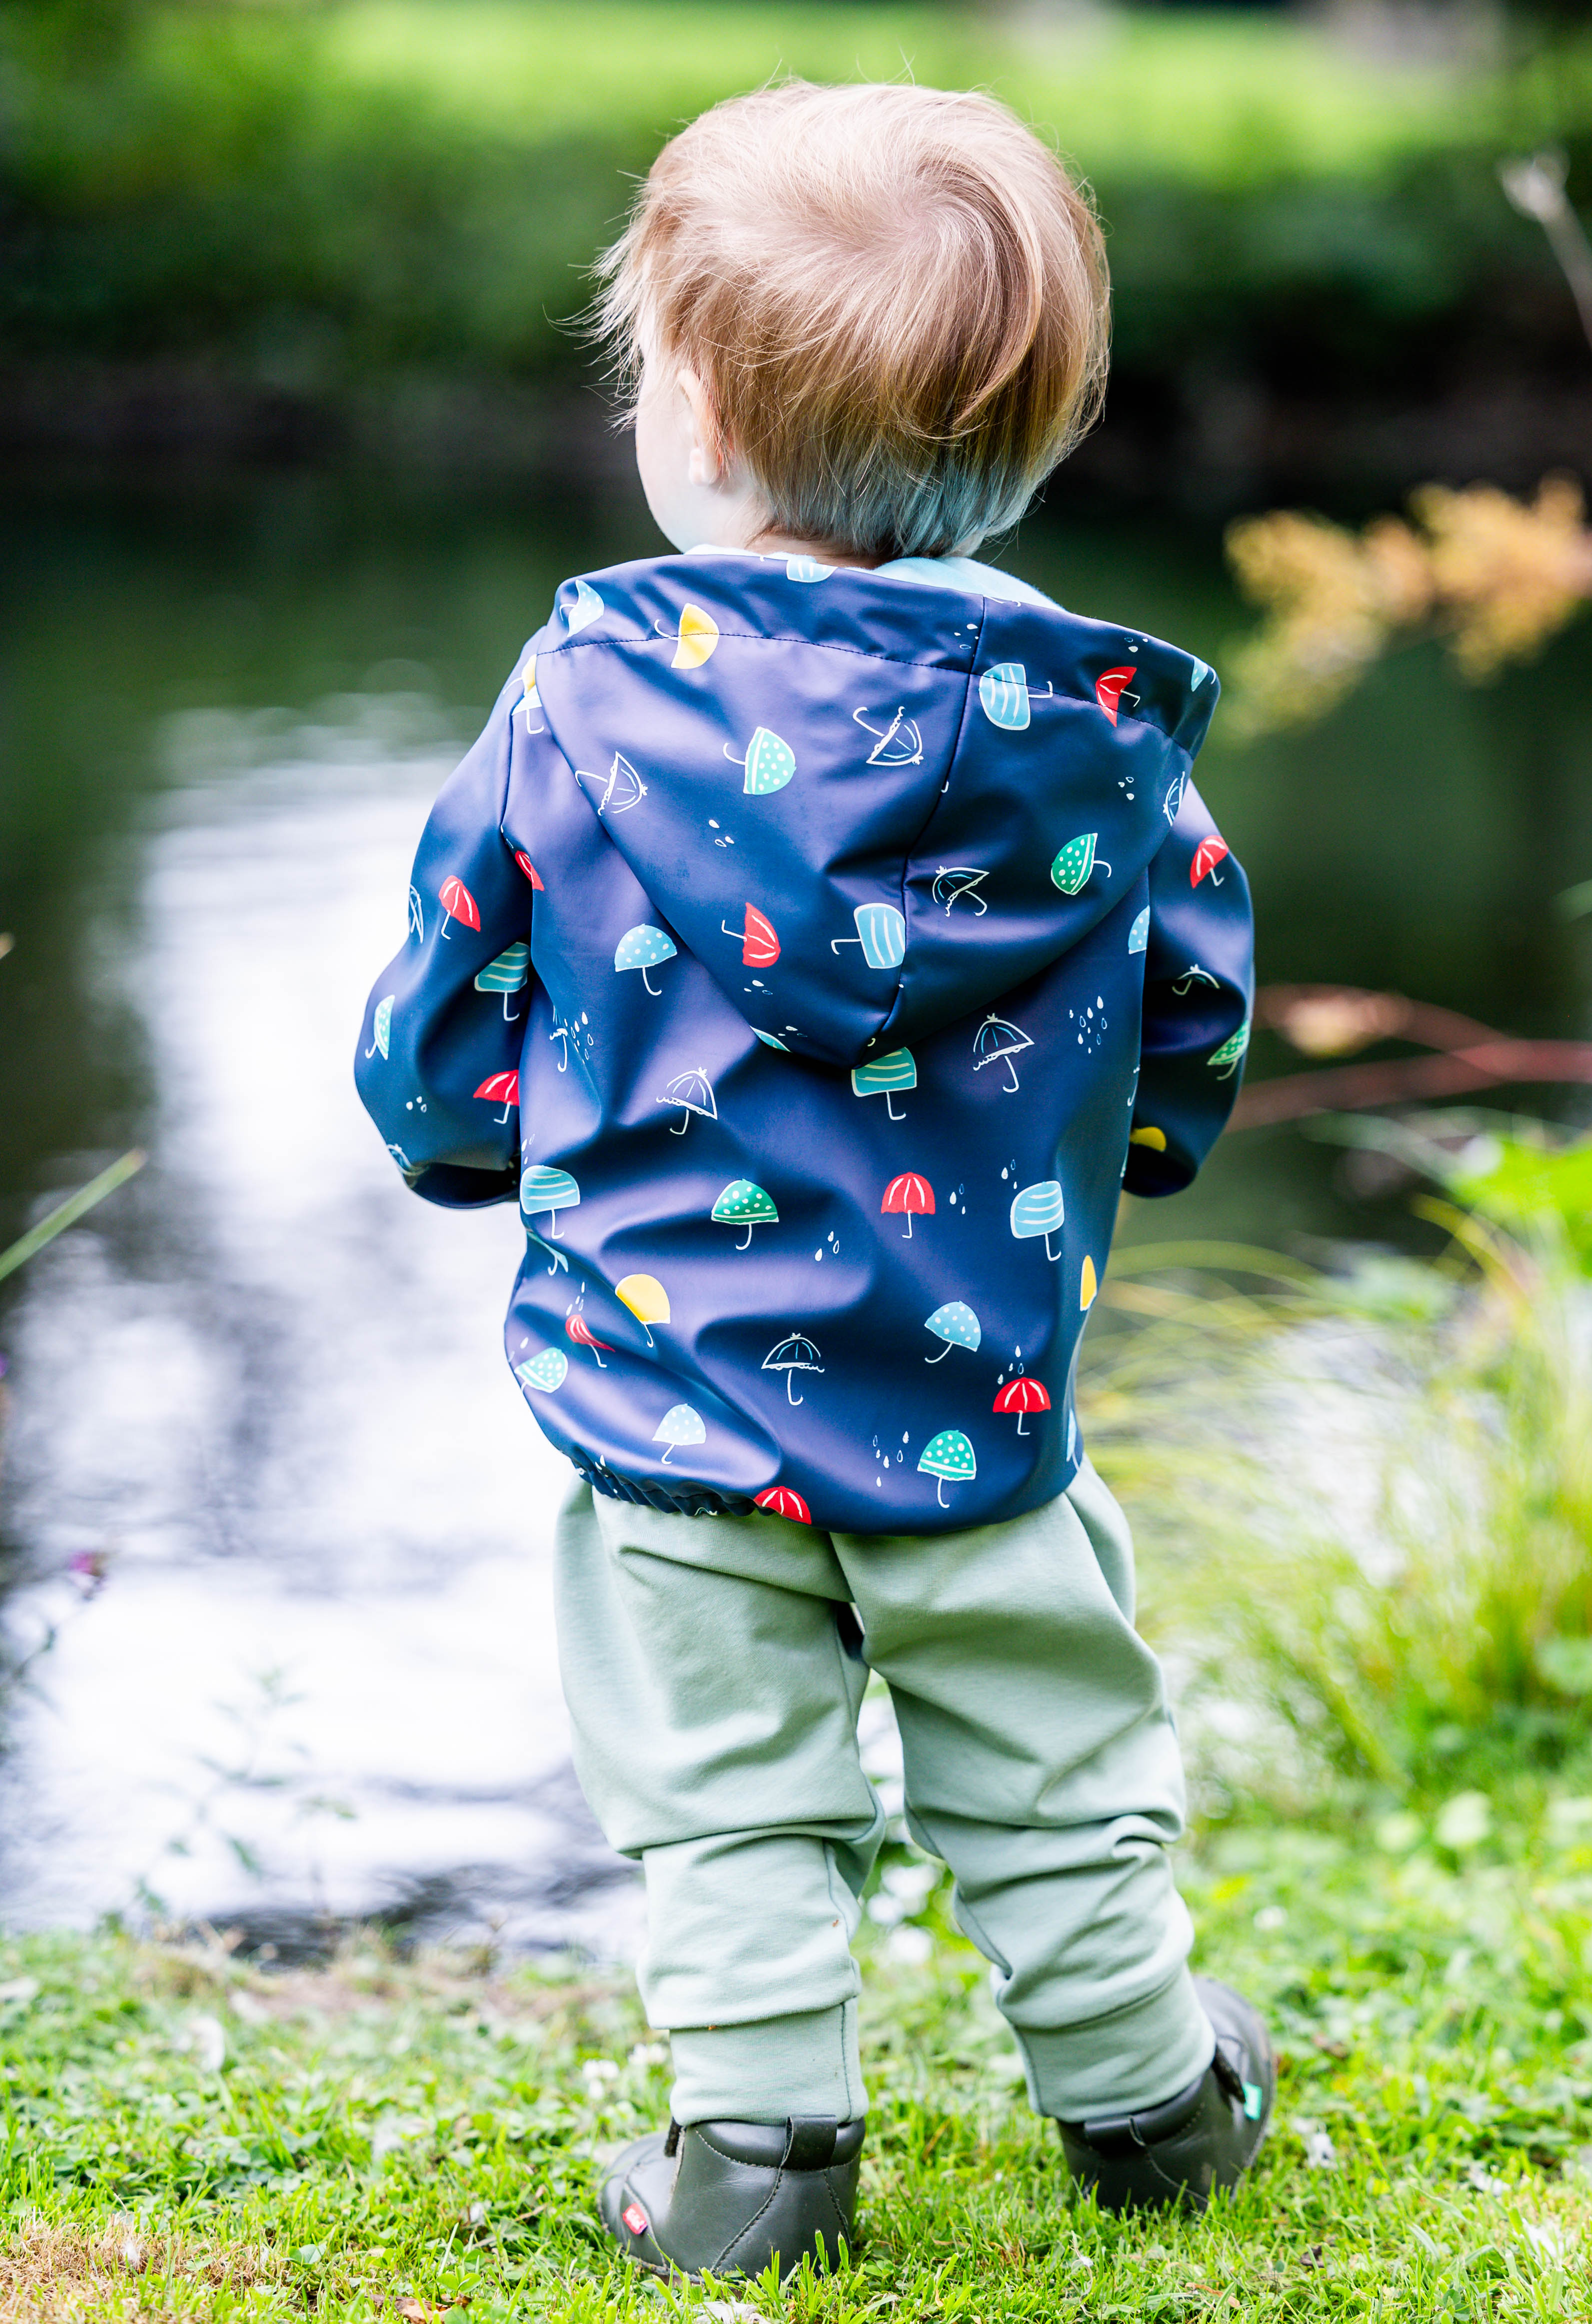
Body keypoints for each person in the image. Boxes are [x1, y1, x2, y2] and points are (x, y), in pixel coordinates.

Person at [355, 78, 1267, 2284]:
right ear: (1029, 444)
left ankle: (760, 2150)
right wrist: (1142, 1143)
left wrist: (461, 1141)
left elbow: (452, 992)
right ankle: (1149, 2094)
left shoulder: (581, 705)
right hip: (975, 1392)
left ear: (691, 418)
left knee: (722, 1778)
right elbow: (1197, 1003)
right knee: (1048, 1749)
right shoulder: (1096, 730)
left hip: (667, 1385)